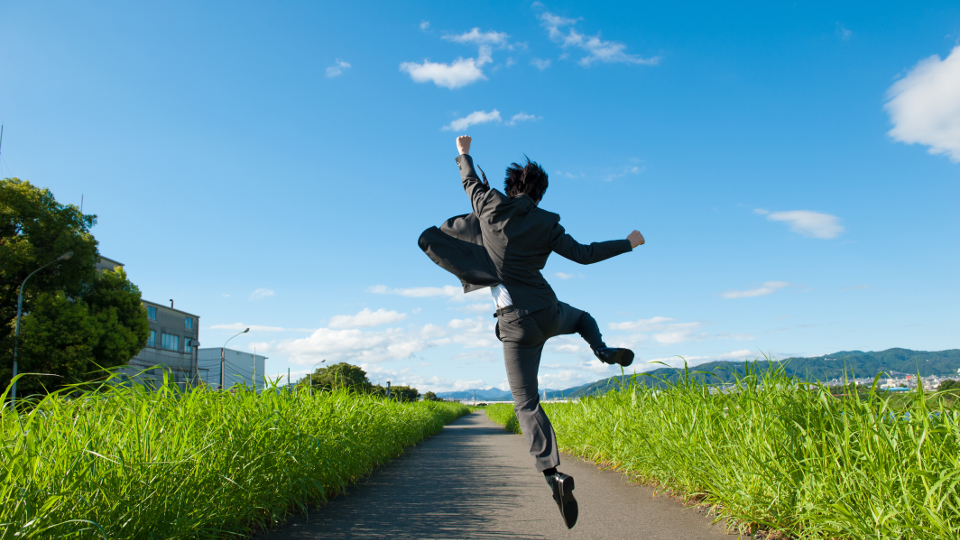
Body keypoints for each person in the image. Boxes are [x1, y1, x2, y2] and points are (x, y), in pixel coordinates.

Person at [418, 135, 645, 529]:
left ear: (510, 186)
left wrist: (464, 152)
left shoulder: (489, 205)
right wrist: (627, 243)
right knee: (582, 318)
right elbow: (586, 254)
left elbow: (469, 181)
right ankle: (603, 350)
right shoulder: (547, 223)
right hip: (549, 310)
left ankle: (552, 474)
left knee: (527, 404)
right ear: (540, 194)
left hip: (515, 324)